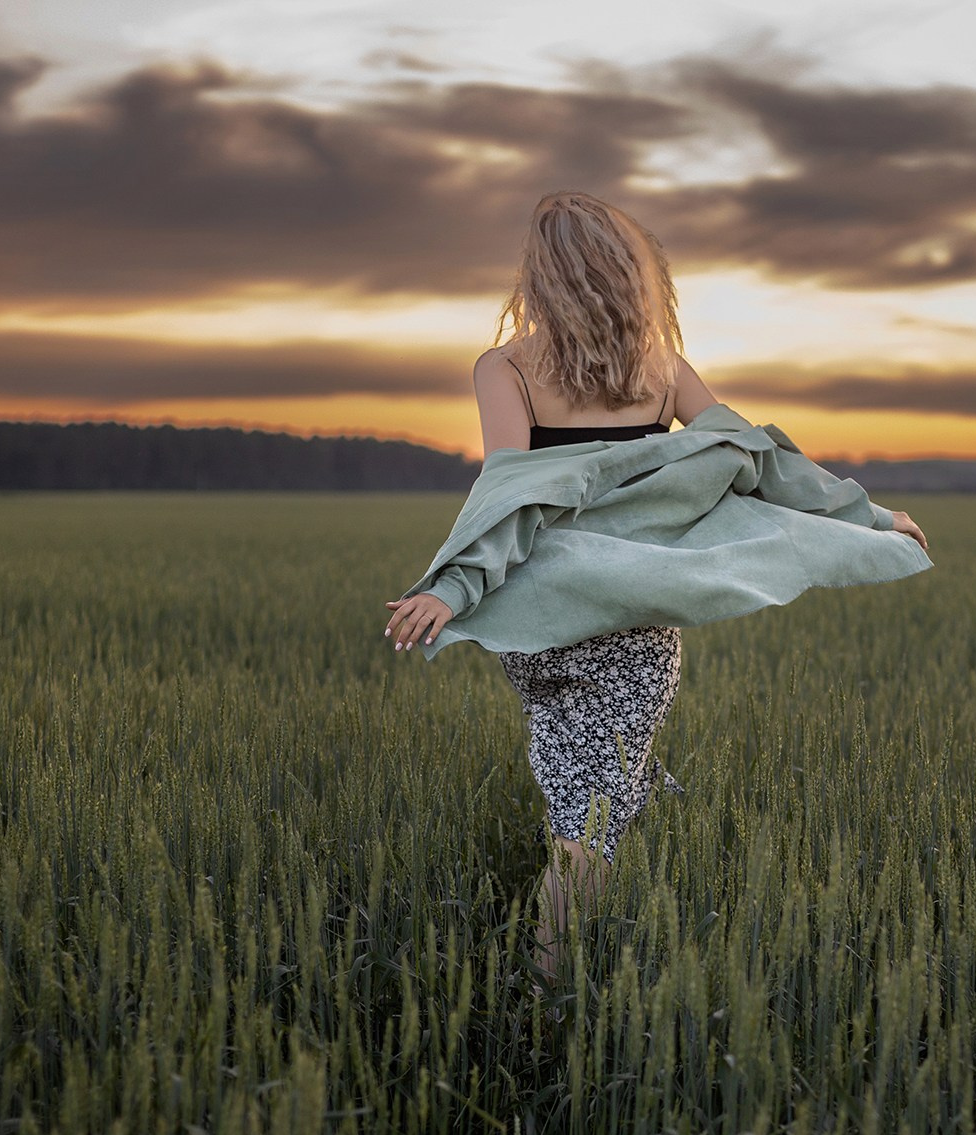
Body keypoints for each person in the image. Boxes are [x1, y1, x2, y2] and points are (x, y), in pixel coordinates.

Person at [383, 190, 929, 990]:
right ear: (632, 272)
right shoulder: (660, 369)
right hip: (633, 625)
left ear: (541, 279)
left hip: (536, 624)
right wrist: (871, 517)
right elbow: (765, 464)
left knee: (595, 780)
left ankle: (661, 884)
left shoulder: (505, 369)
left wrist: (456, 589)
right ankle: (545, 993)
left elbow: (511, 499)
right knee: (591, 820)